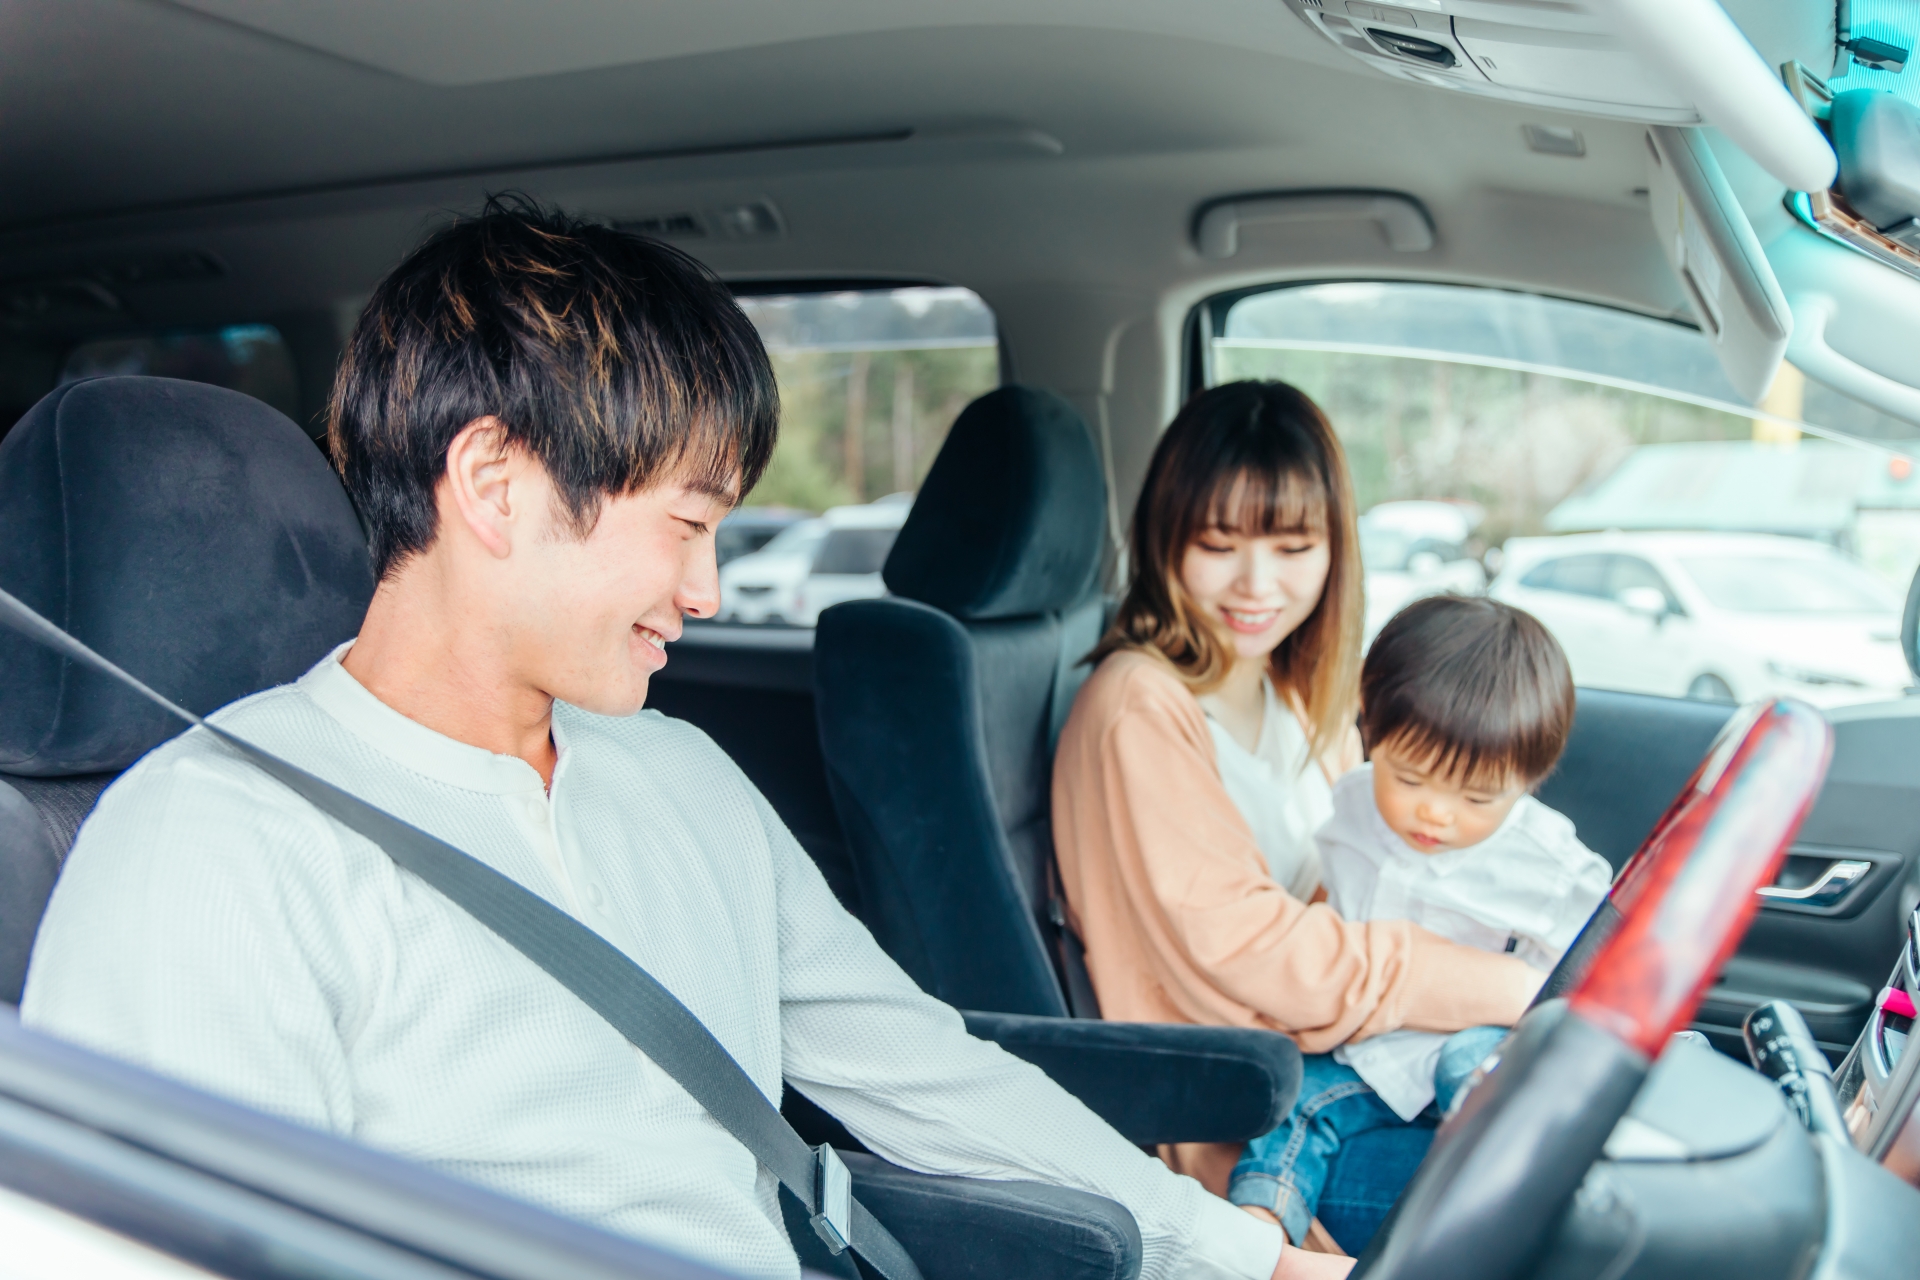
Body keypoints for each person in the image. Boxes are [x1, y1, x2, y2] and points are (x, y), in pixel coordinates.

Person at [20, 201, 1342, 1280]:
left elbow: (924, 1076)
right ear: (494, 484)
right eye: (685, 523)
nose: (708, 593)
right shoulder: (214, 845)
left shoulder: (680, 776)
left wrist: (1238, 1256)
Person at [1050, 381, 1543, 1207]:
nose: (1256, 585)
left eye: (1291, 547)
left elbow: (1358, 880)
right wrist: (1513, 990)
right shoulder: (1139, 703)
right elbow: (1260, 951)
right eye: (1218, 544)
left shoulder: (1284, 683)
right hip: (1266, 1131)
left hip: (1360, 1067)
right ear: (1166, 539)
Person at [1225, 594, 1614, 1245]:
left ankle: (1505, 1207)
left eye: (1477, 798)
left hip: (1475, 1045)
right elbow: (1329, 901)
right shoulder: (1350, 807)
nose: (1435, 813)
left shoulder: (1550, 865)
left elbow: (1590, 976)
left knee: (1477, 1066)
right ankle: (1257, 1230)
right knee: (1290, 1099)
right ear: (1369, 734)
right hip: (1368, 1053)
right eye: (1409, 779)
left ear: (1529, 782)